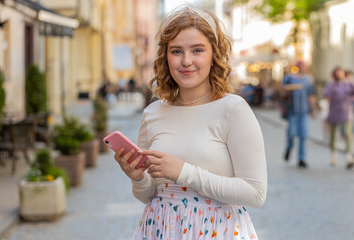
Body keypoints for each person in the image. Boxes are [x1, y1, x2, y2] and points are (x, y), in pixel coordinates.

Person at [113, 5, 267, 239]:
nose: (186, 61)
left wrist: (184, 172)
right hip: (161, 230)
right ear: (165, 56)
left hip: (218, 230)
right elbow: (151, 194)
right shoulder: (153, 113)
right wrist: (138, 178)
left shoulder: (233, 109)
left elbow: (256, 193)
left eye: (197, 50)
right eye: (176, 51)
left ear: (213, 54)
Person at [283, 61, 317, 168]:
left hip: (304, 112)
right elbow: (283, 91)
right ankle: (289, 147)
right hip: (293, 111)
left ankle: (301, 158)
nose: (304, 68)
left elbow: (311, 95)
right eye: (302, 66)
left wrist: (313, 109)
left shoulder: (308, 80)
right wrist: (291, 88)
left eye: (305, 66)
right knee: (292, 133)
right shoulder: (290, 78)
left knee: (303, 135)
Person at [324, 66, 354, 169]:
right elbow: (327, 97)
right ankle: (333, 155)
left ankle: (349, 156)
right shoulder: (331, 85)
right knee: (333, 135)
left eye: (340, 73)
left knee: (347, 133)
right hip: (334, 112)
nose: (339, 75)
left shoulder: (349, 83)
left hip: (346, 113)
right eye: (337, 73)